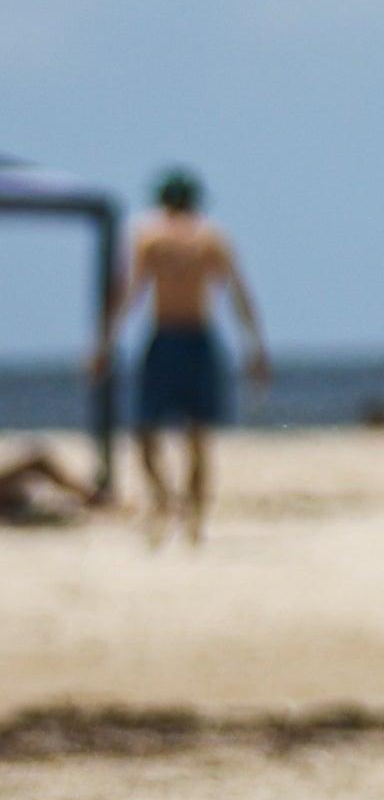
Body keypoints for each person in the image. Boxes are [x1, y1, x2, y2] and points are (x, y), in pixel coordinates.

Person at [99, 169, 268, 546]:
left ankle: (179, 512)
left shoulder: (160, 236)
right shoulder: (201, 237)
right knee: (189, 435)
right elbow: (240, 296)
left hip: (181, 337)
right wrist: (256, 347)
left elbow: (128, 293)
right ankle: (183, 514)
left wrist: (104, 343)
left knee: (167, 433)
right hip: (186, 338)